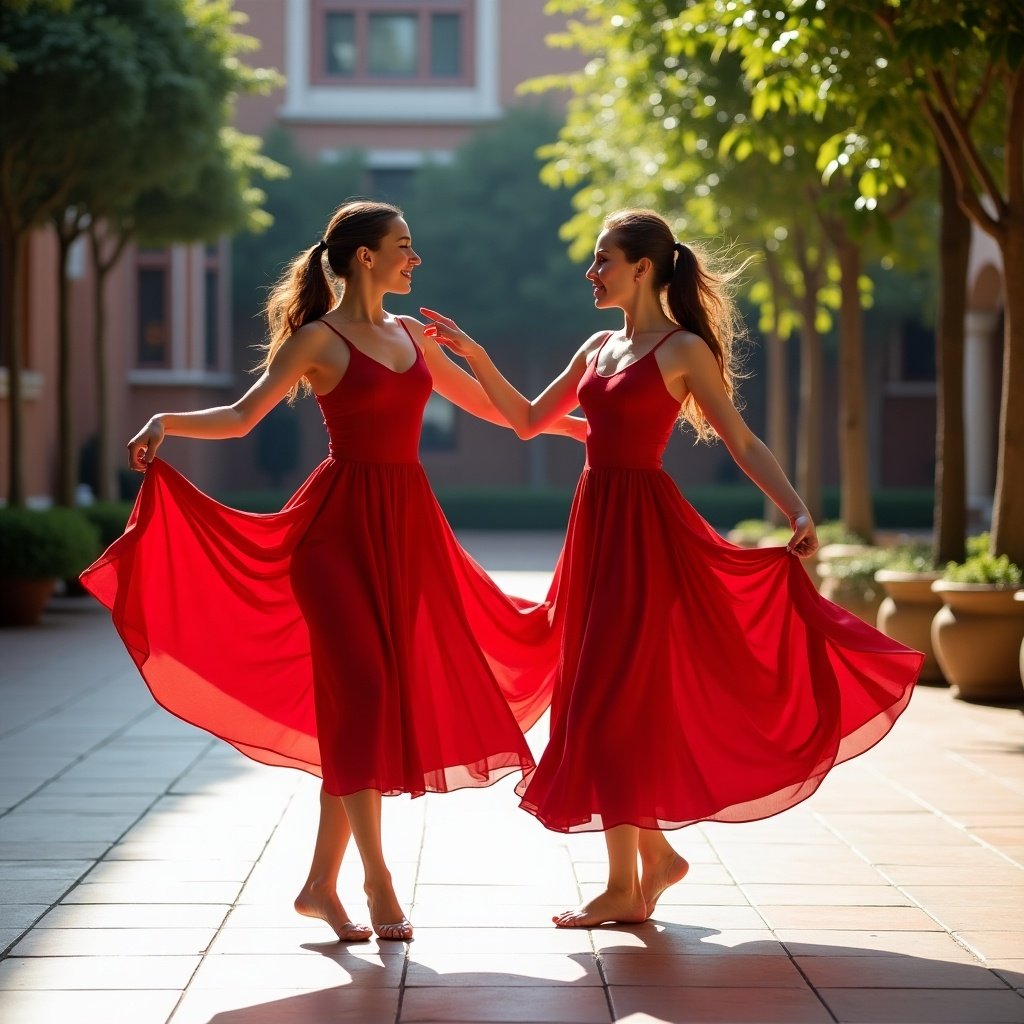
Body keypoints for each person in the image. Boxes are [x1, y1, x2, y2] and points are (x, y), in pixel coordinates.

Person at [81, 199, 582, 941]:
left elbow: (497, 411)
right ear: (363, 257)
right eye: (404, 246)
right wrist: (168, 422)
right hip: (335, 536)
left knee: (363, 712)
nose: (416, 259)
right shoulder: (317, 339)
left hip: (406, 533)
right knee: (367, 697)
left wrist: (584, 425)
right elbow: (245, 415)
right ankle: (379, 884)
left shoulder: (414, 336)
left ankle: (320, 885)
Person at [421, 207, 924, 929]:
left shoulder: (684, 350)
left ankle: (629, 880)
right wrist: (473, 355)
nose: (591, 273)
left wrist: (796, 508)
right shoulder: (596, 348)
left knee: (612, 694)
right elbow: (528, 419)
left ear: (644, 268)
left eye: (603, 261)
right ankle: (648, 862)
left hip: (647, 536)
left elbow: (741, 440)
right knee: (595, 693)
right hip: (595, 528)